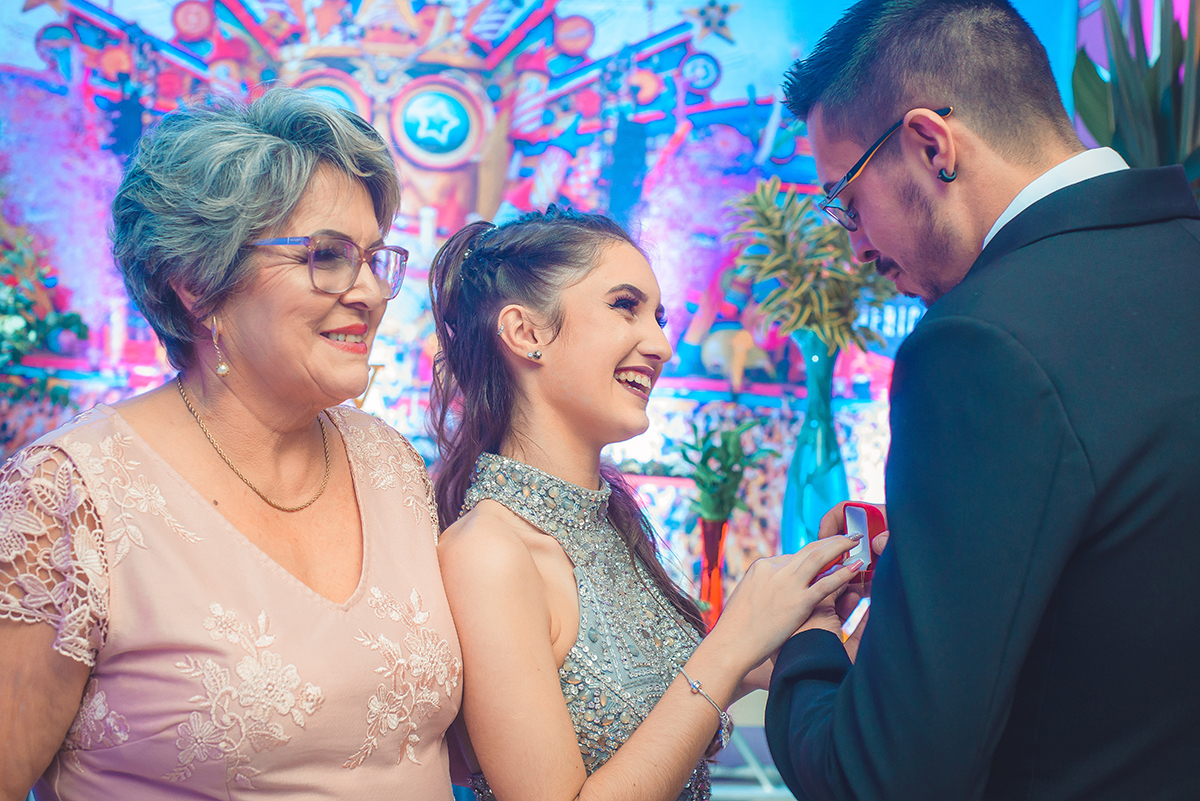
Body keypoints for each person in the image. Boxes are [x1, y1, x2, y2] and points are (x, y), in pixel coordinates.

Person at [763, 1, 1200, 799]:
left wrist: (807, 634)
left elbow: (882, 779)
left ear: (931, 145)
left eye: (846, 199)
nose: (854, 246)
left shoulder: (976, 343)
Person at [0, 88, 463, 799]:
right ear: (196, 282)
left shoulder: (389, 461)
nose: (369, 291)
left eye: (375, 258)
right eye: (328, 256)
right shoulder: (70, 492)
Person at [428, 208, 865, 801]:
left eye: (658, 317)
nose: (660, 345)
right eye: (624, 306)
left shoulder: (610, 524)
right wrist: (733, 642)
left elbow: (664, 704)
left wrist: (817, 622)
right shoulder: (486, 554)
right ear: (526, 333)